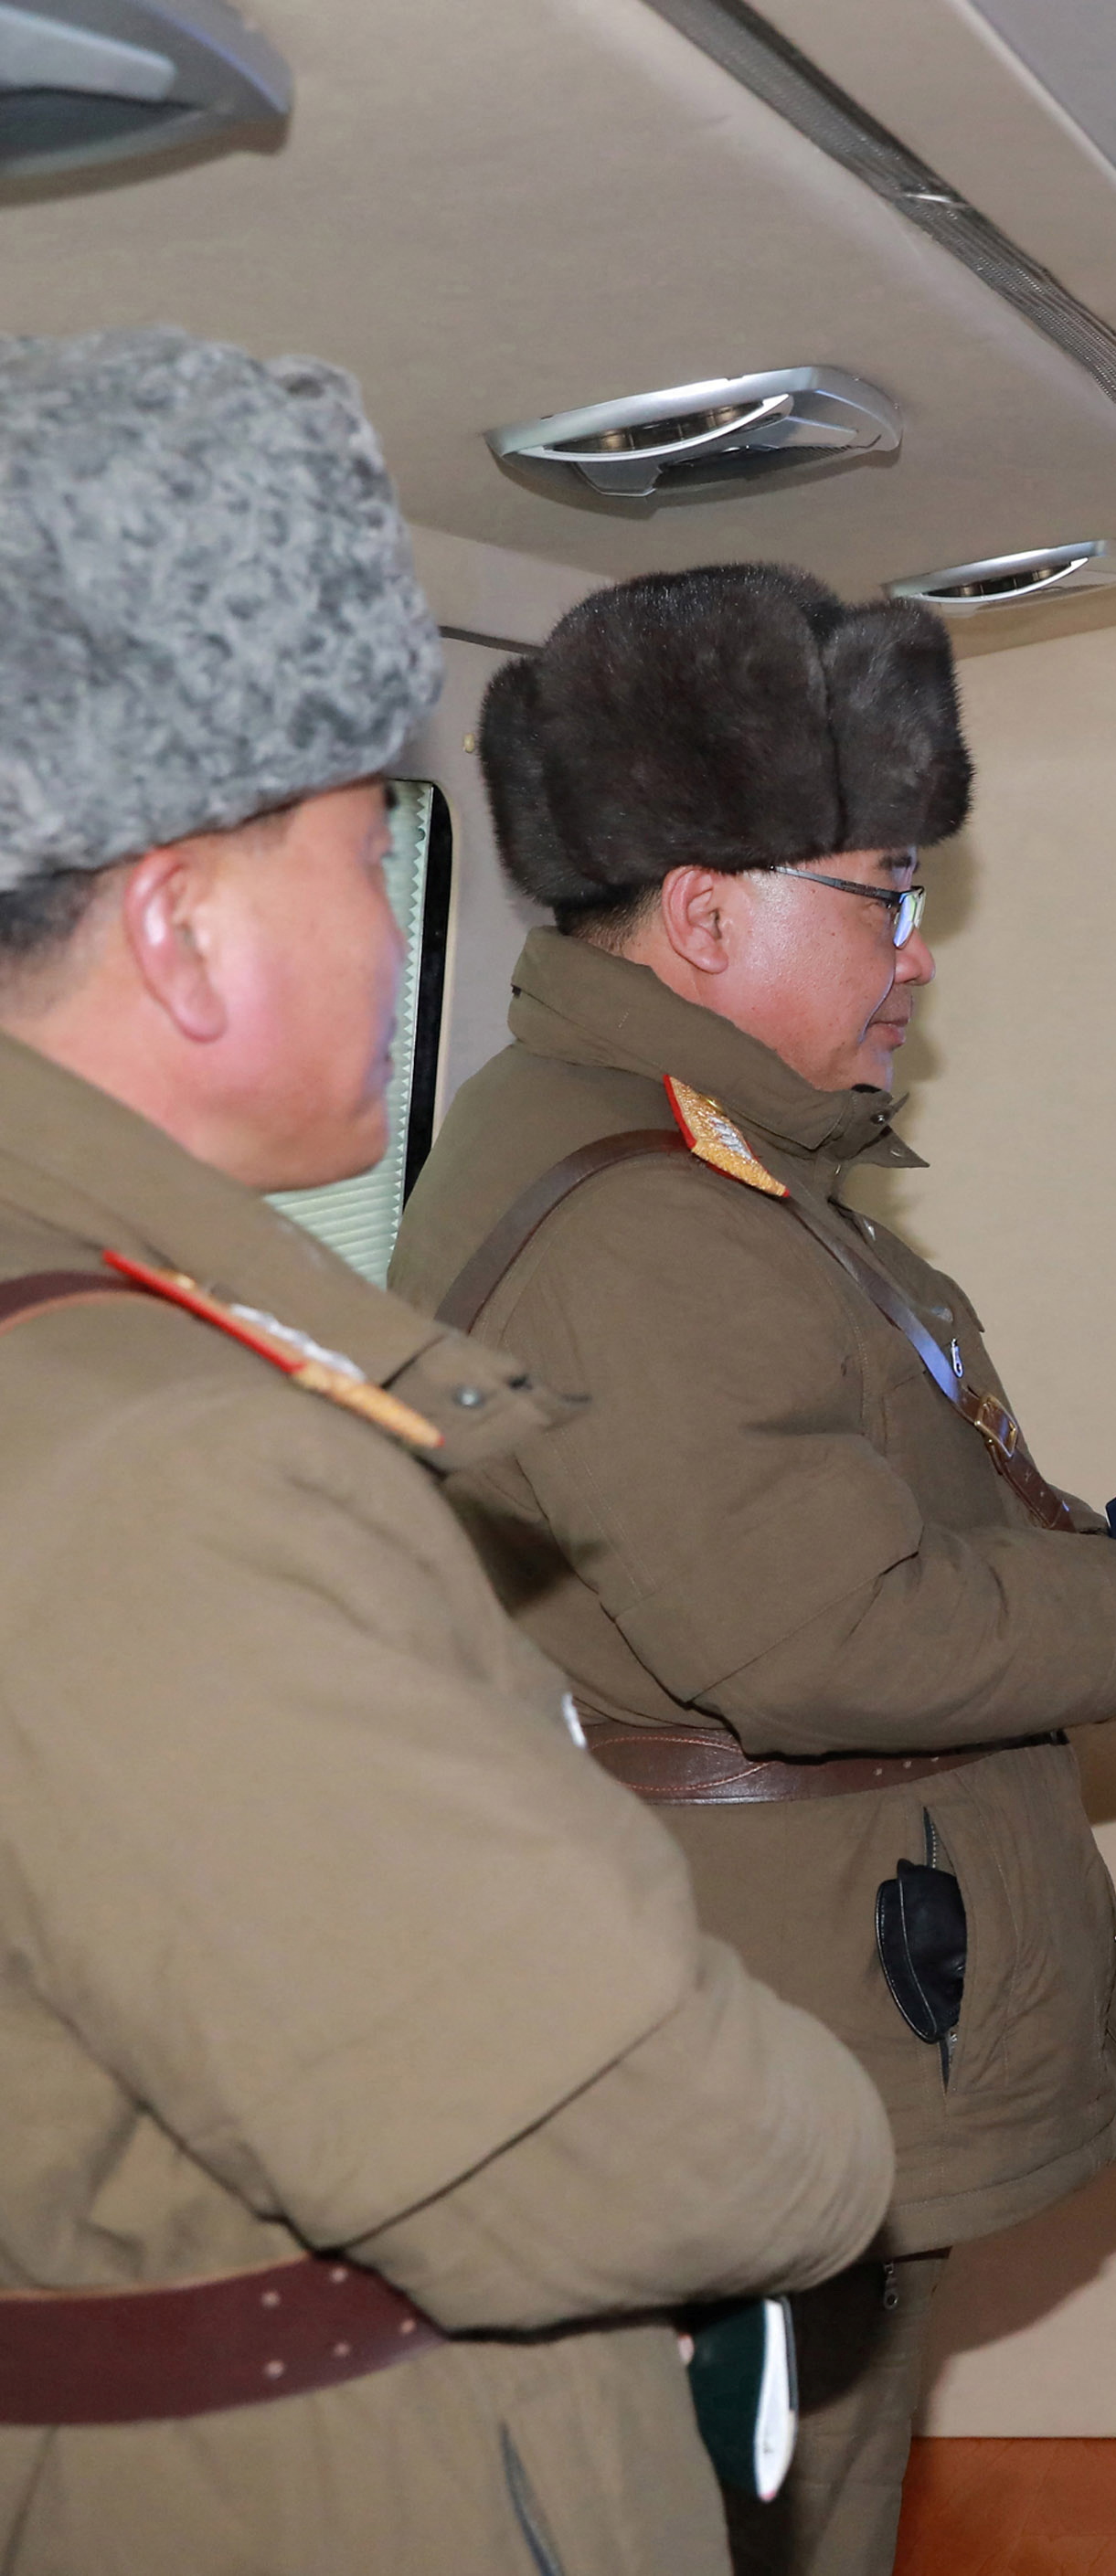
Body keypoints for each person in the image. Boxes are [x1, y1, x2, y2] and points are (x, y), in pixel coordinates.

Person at [0, 331, 893, 2573]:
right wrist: (831, 2136)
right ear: (184, 932)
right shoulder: (168, 1469)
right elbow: (611, 2144)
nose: (400, 942)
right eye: (363, 855)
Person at [390, 565, 1116, 2576]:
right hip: (766, 2026)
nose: (915, 957)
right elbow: (827, 1637)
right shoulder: (648, 1219)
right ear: (703, 914)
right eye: (884, 895)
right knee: (763, 2519)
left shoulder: (705, 1157)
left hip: (785, 1995)